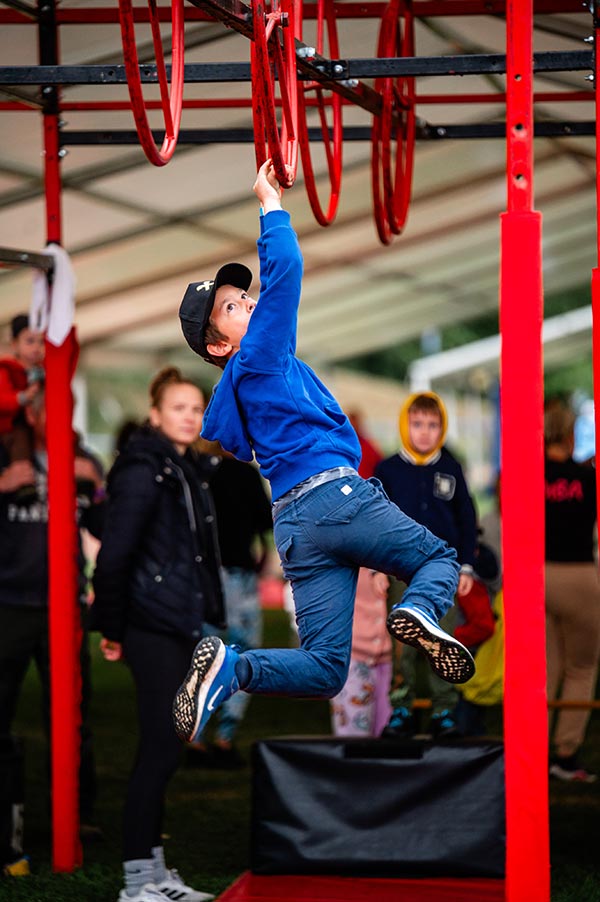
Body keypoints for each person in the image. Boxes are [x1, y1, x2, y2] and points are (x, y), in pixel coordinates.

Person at [172, 159, 475, 750]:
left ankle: (232, 668)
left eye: (244, 296)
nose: (249, 303)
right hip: (335, 497)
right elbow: (286, 272)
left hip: (295, 526)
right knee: (439, 558)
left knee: (326, 668)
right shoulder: (259, 355)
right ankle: (421, 611)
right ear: (219, 345)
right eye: (232, 307)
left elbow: (240, 432)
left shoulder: (244, 382)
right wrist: (270, 205)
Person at [92, 367, 222, 902]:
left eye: (196, 408)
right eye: (178, 408)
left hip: (178, 621)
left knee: (168, 747)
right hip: (151, 624)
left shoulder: (184, 467)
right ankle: (135, 883)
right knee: (160, 749)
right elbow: (114, 554)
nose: (189, 417)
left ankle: (155, 875)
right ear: (155, 414)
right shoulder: (144, 468)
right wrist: (112, 626)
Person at [0, 388, 104, 873]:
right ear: (31, 412)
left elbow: (107, 521)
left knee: (71, 715)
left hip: (65, 607)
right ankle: (8, 820)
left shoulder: (84, 461)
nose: (61, 415)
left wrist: (95, 486)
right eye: (50, 407)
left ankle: (77, 814)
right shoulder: (7, 454)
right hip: (9, 604)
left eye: (68, 406)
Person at [374, 391, 478, 738]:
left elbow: (467, 519)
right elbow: (374, 524)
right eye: (417, 424)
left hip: (444, 572)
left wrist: (466, 566)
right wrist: (376, 568)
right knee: (402, 644)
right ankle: (401, 710)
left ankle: (444, 711)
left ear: (442, 429)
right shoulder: (388, 470)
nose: (424, 432)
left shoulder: (450, 468)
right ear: (405, 425)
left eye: (433, 425)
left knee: (443, 640)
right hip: (399, 569)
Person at [187, 448, 273, 768]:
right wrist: (261, 554)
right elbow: (265, 521)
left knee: (202, 658)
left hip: (204, 578)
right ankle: (225, 738)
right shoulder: (245, 473)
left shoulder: (196, 472)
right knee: (243, 657)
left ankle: (195, 737)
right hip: (239, 574)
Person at [544, 403, 600, 783]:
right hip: (579, 576)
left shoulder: (532, 474)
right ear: (569, 435)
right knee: (581, 668)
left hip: (539, 576)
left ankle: (534, 751)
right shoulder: (587, 477)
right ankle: (565, 755)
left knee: (545, 670)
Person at [330, 569, 393, 737]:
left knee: (387, 731)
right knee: (353, 734)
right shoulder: (345, 559)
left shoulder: (396, 558)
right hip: (352, 656)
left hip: (388, 657)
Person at [0, 314, 45, 463]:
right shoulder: (7, 370)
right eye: (30, 341)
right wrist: (22, 398)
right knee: (21, 442)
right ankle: (23, 473)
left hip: (38, 425)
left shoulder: (43, 371)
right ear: (14, 344)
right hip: (13, 426)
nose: (36, 348)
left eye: (41, 342)